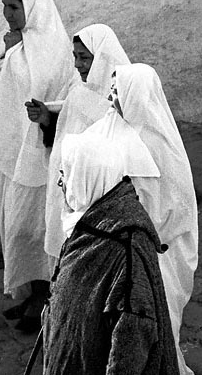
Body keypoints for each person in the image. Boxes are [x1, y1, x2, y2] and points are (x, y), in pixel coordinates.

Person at [70, 63, 199, 375]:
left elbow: (175, 206)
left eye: (118, 91)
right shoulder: (119, 134)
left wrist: (143, 234)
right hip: (130, 244)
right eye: (112, 90)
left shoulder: (159, 145)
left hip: (158, 249)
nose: (111, 98)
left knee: (159, 323)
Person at [40, 132, 187, 375]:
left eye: (65, 173)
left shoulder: (126, 240)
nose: (61, 182)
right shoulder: (91, 222)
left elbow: (135, 315)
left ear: (88, 174)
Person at [0, 0, 76, 332]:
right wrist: (4, 53)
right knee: (12, 226)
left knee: (34, 230)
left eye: (14, 7)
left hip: (38, 159)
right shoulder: (14, 43)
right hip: (10, 154)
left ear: (33, 6)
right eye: (5, 7)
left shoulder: (55, 50)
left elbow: (55, 97)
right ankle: (28, 296)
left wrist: (8, 55)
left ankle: (44, 300)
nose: (8, 14)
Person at [25, 24, 130, 267]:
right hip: (65, 190)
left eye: (84, 57)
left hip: (95, 198)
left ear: (102, 59)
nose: (77, 64)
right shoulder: (79, 91)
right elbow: (65, 130)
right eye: (75, 56)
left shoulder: (117, 100)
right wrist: (46, 118)